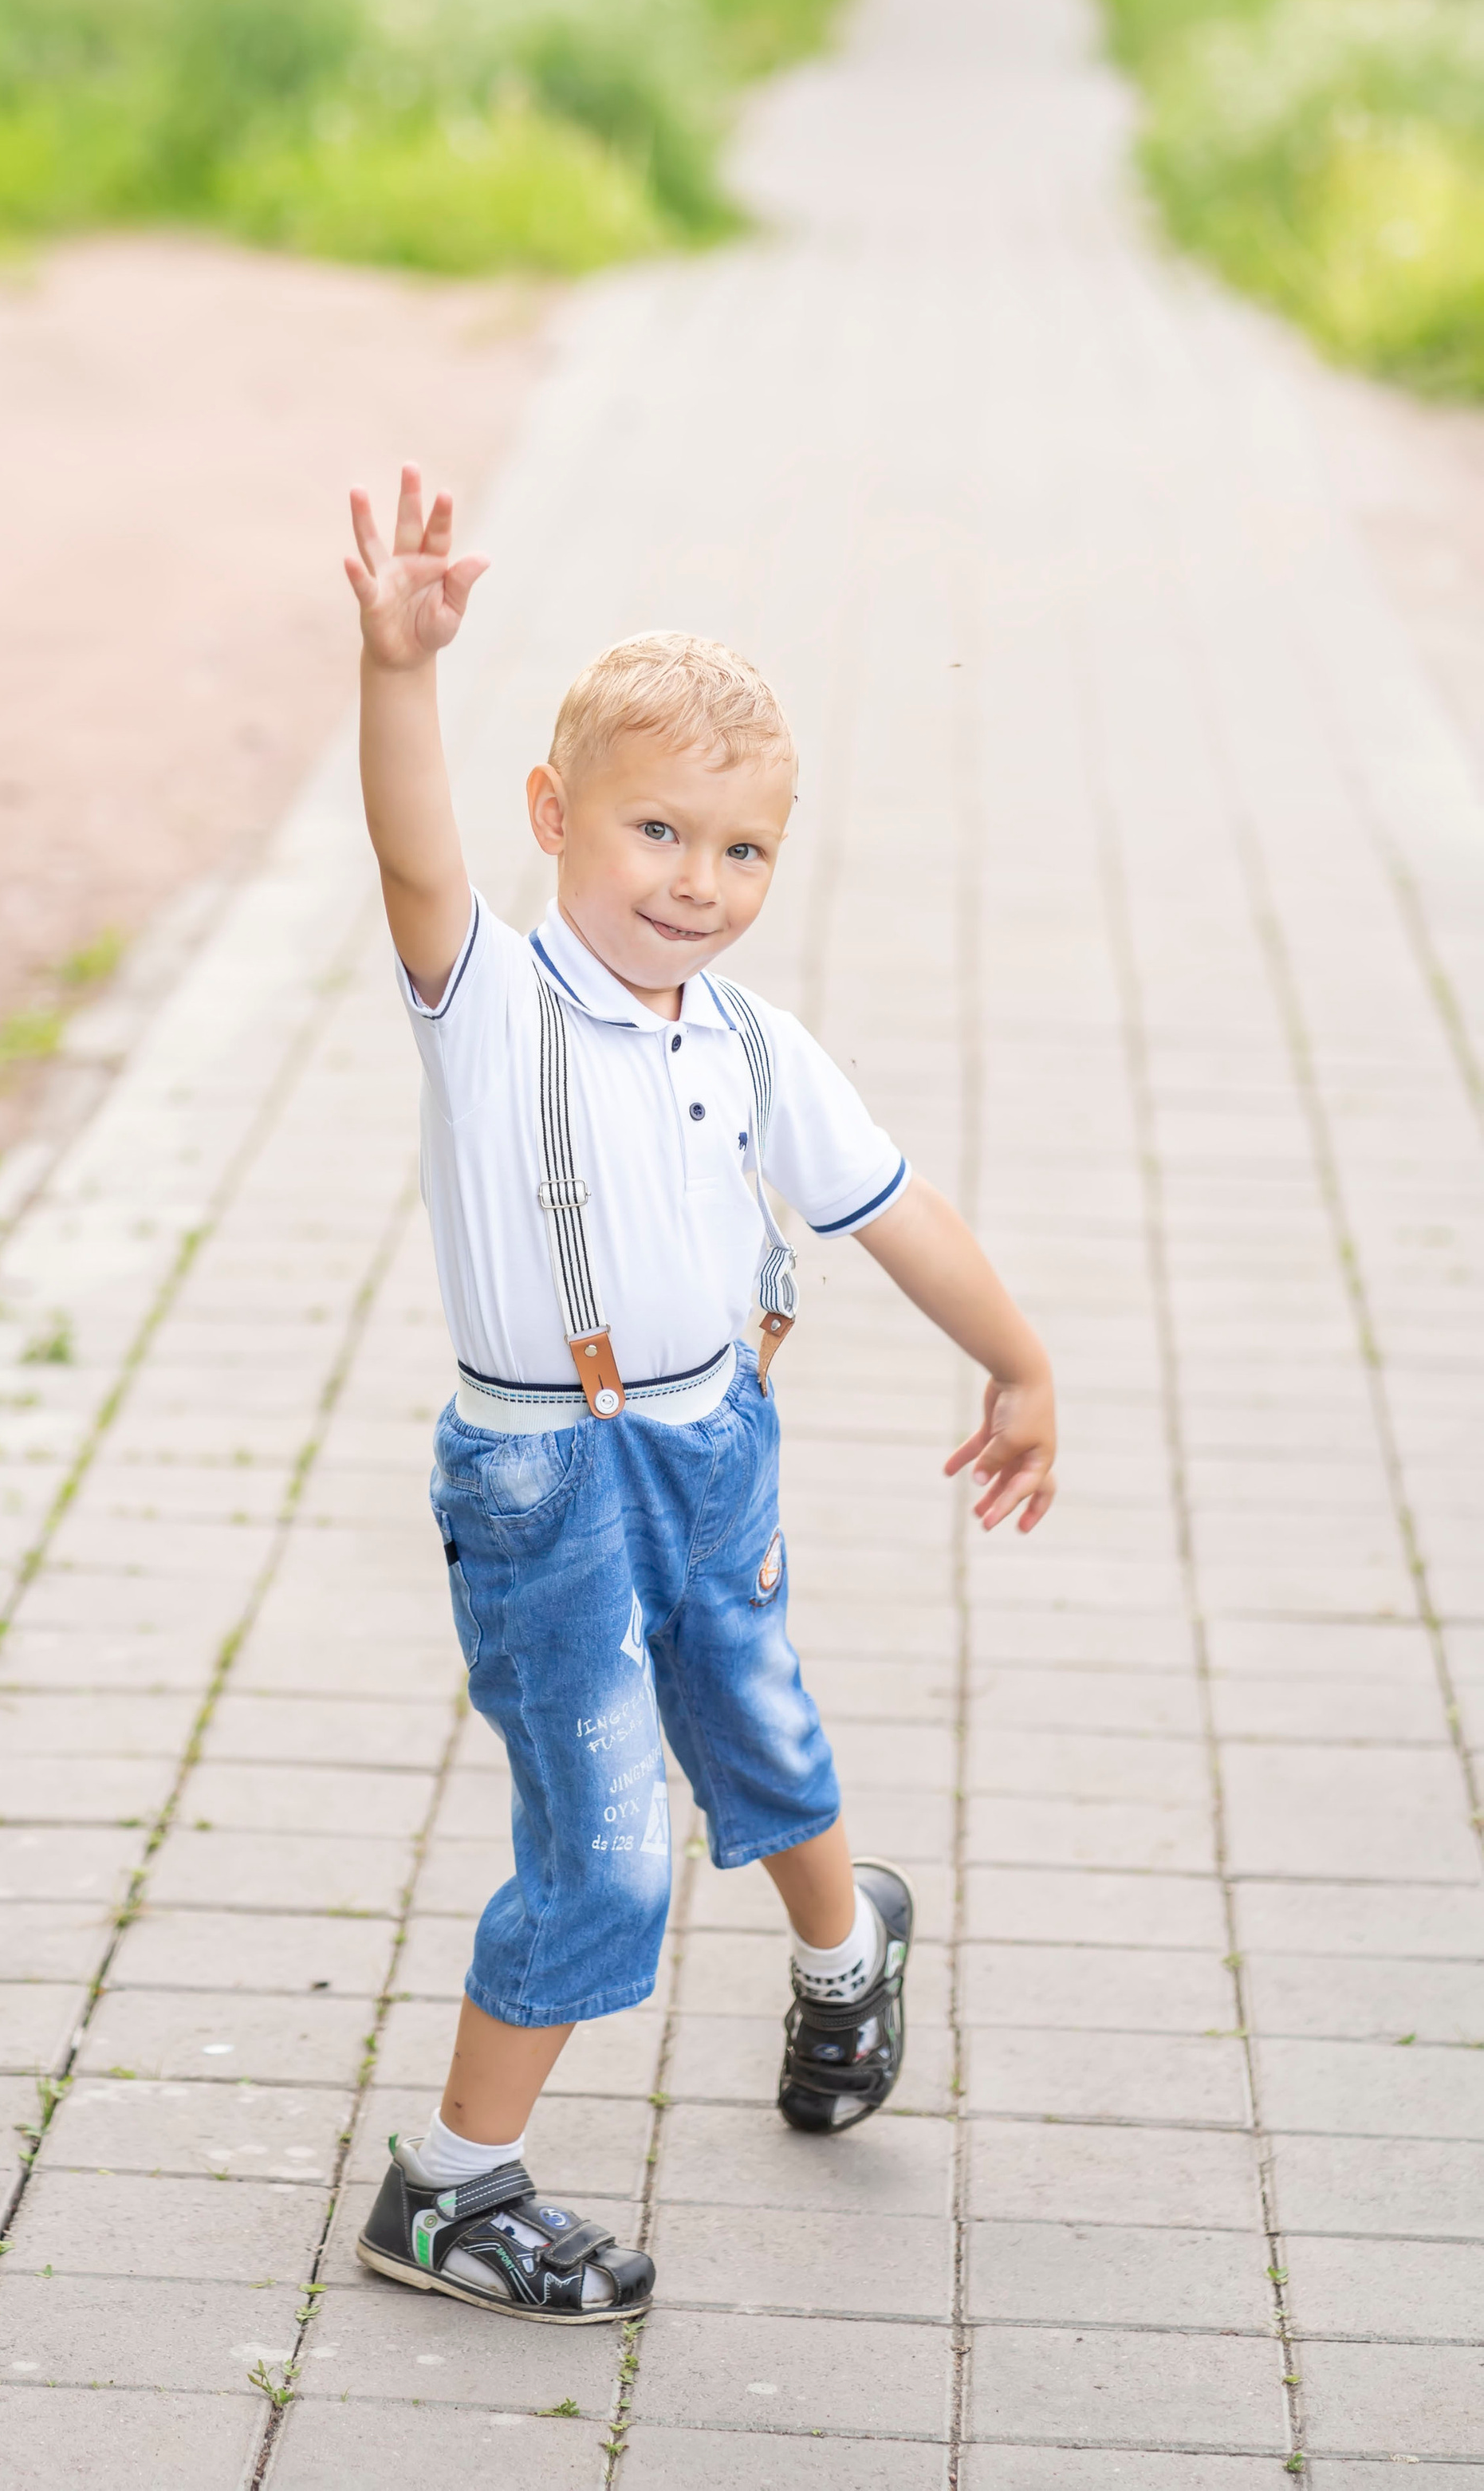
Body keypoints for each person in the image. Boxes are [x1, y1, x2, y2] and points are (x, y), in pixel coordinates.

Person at [345, 467, 1057, 2325]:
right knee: (600, 1835)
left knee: (750, 1714)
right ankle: (447, 2189)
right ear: (551, 819)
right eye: (655, 831)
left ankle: (843, 1949)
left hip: (709, 1442)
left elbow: (893, 1210)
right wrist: (396, 669)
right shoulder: (489, 1001)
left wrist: (1016, 1359)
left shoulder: (748, 1041)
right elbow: (412, 856)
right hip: (542, 1480)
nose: (695, 884)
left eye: (739, 853)